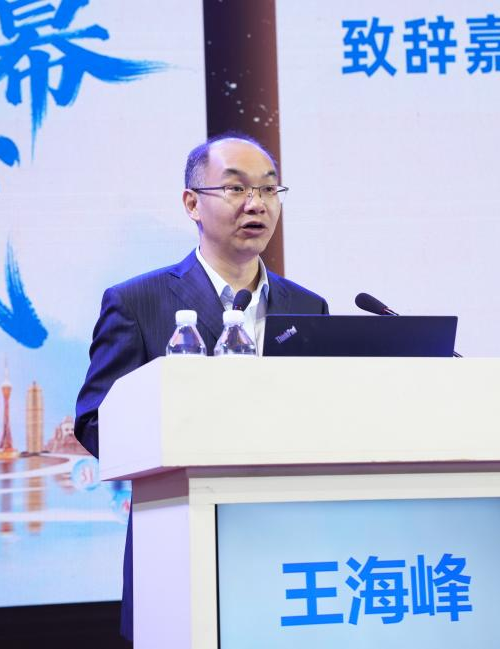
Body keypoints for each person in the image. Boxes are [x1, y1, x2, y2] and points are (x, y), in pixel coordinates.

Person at [74, 132, 328, 640]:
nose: (256, 204)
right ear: (192, 203)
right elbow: (96, 419)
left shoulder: (308, 306)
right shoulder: (137, 302)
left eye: (269, 189)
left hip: (291, 542)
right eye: (236, 189)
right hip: (181, 537)